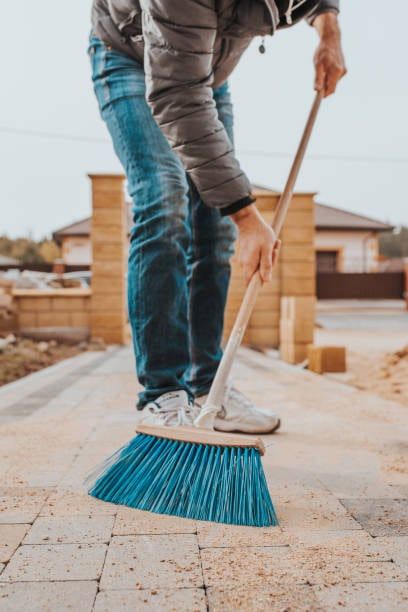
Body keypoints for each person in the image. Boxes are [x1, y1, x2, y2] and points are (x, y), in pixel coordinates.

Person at [88, 0, 346, 433]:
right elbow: (179, 95)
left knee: (214, 229)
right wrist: (247, 217)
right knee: (164, 197)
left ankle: (209, 387)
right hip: (131, 56)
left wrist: (329, 34)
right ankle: (163, 394)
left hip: (205, 69)